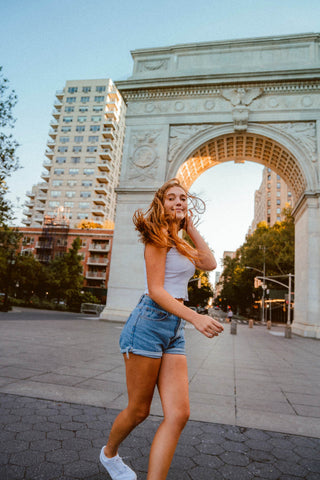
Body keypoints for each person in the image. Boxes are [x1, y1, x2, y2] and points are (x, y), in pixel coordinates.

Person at [100, 178, 224, 480]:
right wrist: (195, 317)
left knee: (179, 414)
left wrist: (190, 227)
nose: (178, 202)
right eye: (172, 198)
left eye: (183, 198)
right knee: (139, 410)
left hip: (173, 329)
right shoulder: (157, 237)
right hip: (147, 323)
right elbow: (156, 290)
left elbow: (209, 262)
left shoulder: (180, 241)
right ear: (161, 203)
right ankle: (109, 454)